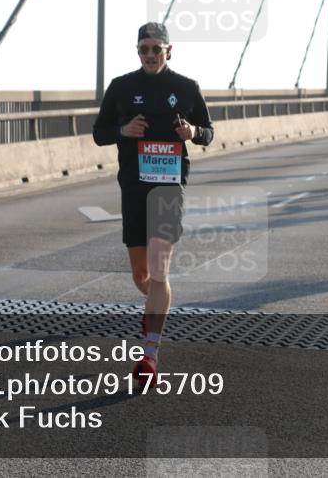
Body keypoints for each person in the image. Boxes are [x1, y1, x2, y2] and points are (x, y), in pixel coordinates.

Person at [93, 22, 214, 386]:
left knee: (160, 270)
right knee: (141, 276)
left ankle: (150, 354)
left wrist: (193, 133)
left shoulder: (186, 88)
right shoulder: (122, 87)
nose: (149, 55)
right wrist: (122, 131)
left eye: (155, 49)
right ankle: (157, 305)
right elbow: (99, 133)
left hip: (168, 188)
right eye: (143, 49)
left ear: (168, 51)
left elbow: (208, 132)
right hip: (133, 185)